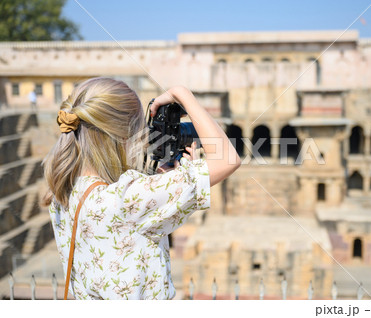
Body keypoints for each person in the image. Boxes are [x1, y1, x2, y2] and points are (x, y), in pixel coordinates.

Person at [42, 77, 240, 299]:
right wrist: (182, 93)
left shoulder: (63, 191)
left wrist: (161, 181)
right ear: (124, 135)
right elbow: (228, 160)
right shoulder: (130, 199)